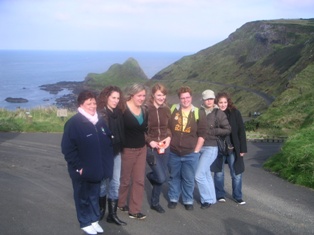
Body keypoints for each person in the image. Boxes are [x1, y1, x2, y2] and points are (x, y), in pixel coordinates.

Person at [61, 90, 114, 235]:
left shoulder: (100, 121)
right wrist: (79, 167)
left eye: (94, 103)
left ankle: (94, 220)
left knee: (94, 195)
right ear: (81, 105)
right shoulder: (74, 123)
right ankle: (85, 222)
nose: (92, 106)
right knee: (82, 196)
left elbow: (108, 142)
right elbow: (67, 149)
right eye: (88, 103)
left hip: (98, 169)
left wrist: (108, 163)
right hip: (82, 170)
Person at [167, 86, 207, 211]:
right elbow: (167, 128)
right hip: (174, 152)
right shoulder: (173, 109)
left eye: (187, 97)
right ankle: (173, 198)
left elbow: (202, 134)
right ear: (179, 99)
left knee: (189, 178)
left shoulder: (198, 112)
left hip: (190, 153)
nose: (185, 100)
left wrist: (196, 151)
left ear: (191, 97)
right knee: (174, 177)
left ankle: (188, 200)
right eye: (182, 98)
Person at [195, 90, 231, 209]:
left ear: (214, 99)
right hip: (200, 146)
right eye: (207, 99)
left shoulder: (219, 113)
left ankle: (207, 199)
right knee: (206, 174)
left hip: (211, 147)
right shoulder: (198, 111)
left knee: (199, 175)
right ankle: (212, 198)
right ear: (203, 100)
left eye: (211, 98)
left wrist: (214, 131)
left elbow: (227, 129)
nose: (209, 101)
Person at [97, 86, 127, 226]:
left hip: (117, 151)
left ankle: (112, 215)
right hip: (104, 153)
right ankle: (101, 210)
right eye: (113, 97)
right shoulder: (101, 114)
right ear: (106, 97)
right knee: (103, 183)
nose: (115, 101)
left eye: (117, 98)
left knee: (115, 182)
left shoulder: (119, 113)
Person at [118, 83, 148, 219]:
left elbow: (144, 130)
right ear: (132, 95)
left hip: (142, 149)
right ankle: (120, 203)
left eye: (144, 96)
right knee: (125, 180)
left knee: (139, 180)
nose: (142, 98)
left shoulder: (144, 110)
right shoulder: (123, 109)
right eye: (139, 96)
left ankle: (134, 210)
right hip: (127, 150)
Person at [211, 92, 247, 205]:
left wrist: (243, 149)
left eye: (225, 102)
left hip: (233, 147)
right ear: (217, 103)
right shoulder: (213, 114)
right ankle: (220, 195)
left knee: (236, 173)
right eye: (220, 102)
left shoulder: (235, 113)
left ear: (228, 102)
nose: (223, 104)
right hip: (218, 147)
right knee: (219, 173)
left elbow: (241, 131)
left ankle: (238, 196)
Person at [146, 83, 171, 213]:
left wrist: (169, 138)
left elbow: (170, 127)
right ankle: (150, 175)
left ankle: (155, 203)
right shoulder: (146, 109)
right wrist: (150, 141)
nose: (162, 97)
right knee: (161, 177)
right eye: (159, 95)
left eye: (163, 95)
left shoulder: (166, 109)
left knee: (162, 175)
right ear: (153, 95)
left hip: (165, 147)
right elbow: (142, 130)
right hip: (151, 148)